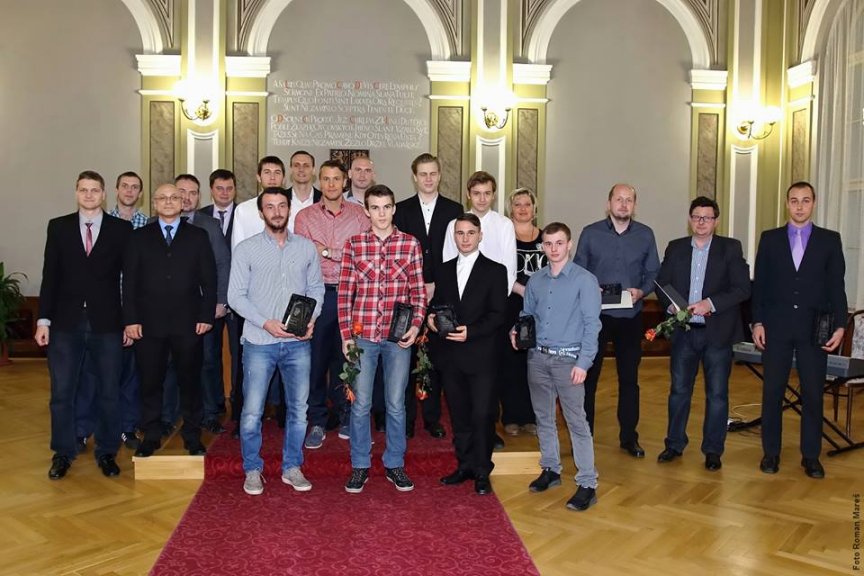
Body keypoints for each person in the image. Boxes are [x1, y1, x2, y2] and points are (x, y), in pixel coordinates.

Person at [36, 170, 132, 480]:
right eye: (83, 190)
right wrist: (43, 320)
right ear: (76, 193)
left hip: (108, 323)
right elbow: (50, 276)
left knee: (109, 391)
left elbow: (131, 280)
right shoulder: (59, 227)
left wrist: (130, 322)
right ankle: (63, 452)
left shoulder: (121, 229)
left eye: (94, 190)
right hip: (65, 323)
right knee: (62, 392)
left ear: (104, 194)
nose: (89, 195)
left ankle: (107, 451)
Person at [228, 187, 324, 495]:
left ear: (289, 209)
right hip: (259, 342)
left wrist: (310, 319)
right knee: (252, 411)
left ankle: (292, 467)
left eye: (282, 205)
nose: (277, 211)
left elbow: (316, 289)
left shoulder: (306, 248)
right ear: (261, 213)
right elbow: (235, 297)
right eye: (270, 206)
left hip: (297, 343)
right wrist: (265, 322)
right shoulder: (246, 249)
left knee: (298, 410)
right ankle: (252, 469)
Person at [752, 181, 846, 479]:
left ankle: (811, 456)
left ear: (813, 203)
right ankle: (771, 453)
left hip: (814, 330)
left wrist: (840, 325)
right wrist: (757, 322)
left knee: (813, 395)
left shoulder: (830, 240)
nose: (800, 206)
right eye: (794, 200)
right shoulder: (770, 239)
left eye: (805, 200)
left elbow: (837, 286)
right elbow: (760, 286)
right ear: (787, 204)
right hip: (776, 328)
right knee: (772, 393)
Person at [338, 184, 426, 493]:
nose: (381, 213)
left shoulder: (410, 244)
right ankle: (360, 465)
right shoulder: (354, 244)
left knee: (396, 403)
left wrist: (416, 325)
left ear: (394, 208)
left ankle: (394, 463)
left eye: (386, 207)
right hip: (362, 336)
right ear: (366, 211)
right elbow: (344, 294)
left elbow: (418, 292)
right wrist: (346, 336)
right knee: (361, 404)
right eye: (375, 207)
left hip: (397, 338)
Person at [654, 196, 750, 471]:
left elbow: (742, 288)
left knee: (717, 395)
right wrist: (670, 306)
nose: (701, 222)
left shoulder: (730, 248)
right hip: (684, 333)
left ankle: (713, 450)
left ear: (716, 221)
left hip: (717, 334)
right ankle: (674, 444)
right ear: (690, 219)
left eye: (707, 218)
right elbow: (661, 283)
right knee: (678, 391)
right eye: (696, 217)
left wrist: (711, 304)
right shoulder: (676, 248)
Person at [511, 222, 602, 511]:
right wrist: (517, 331)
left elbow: (592, 325)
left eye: (559, 243)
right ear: (542, 247)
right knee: (543, 418)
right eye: (548, 244)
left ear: (569, 244)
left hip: (569, 360)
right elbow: (527, 315)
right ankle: (551, 469)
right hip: (538, 358)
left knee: (576, 422)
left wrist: (584, 363)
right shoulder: (536, 281)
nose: (554, 249)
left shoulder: (585, 280)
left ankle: (587, 483)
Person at [123, 183, 216, 457]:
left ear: (182, 202)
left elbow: (209, 280)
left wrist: (206, 315)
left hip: (189, 323)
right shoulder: (138, 237)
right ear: (154, 203)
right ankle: (150, 435)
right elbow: (129, 283)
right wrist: (130, 319)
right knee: (150, 382)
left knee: (190, 381)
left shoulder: (198, 236)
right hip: (148, 324)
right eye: (162, 198)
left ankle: (192, 436)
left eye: (174, 197)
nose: (168, 201)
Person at [574, 183, 660, 458]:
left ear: (635, 205)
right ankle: (584, 436)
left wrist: (641, 291)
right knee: (588, 378)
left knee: (629, 380)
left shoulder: (646, 235)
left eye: (629, 200)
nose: (623, 204)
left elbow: (653, 274)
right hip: (595, 318)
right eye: (618, 199)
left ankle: (629, 438)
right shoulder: (590, 233)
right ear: (608, 203)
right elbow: (578, 271)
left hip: (630, 317)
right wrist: (592, 289)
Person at [429, 213, 507, 495]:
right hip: (451, 356)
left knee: (482, 415)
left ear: (480, 235)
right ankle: (464, 466)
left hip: (482, 355)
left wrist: (470, 332)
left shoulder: (495, 271)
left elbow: (498, 314)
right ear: (454, 237)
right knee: (459, 415)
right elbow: (437, 306)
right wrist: (430, 319)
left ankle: (483, 471)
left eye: (470, 233)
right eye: (460, 233)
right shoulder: (443, 269)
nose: (465, 238)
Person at [294, 160, 370, 448]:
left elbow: (361, 255)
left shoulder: (359, 215)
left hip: (351, 295)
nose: (331, 184)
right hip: (316, 294)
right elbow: (304, 256)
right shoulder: (304, 217)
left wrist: (326, 251)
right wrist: (342, 253)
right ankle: (316, 420)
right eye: (326, 179)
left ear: (344, 182)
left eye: (336, 179)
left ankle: (345, 413)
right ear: (319, 181)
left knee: (348, 358)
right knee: (314, 360)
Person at [442, 171, 517, 449]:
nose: (482, 198)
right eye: (477, 193)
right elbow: (448, 264)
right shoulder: (456, 224)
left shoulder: (504, 224)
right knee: (458, 385)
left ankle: (489, 431)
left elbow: (509, 269)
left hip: (492, 310)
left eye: (487, 193)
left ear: (494, 195)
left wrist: (490, 306)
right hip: (458, 313)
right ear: (468, 195)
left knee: (490, 376)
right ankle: (466, 437)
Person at [75, 171, 147, 451]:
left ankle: (126, 428)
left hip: (131, 313)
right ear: (114, 191)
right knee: (90, 374)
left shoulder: (148, 225)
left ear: (140, 193)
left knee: (129, 375)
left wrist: (132, 317)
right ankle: (83, 429)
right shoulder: (100, 222)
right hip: (98, 314)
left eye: (135, 187)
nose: (129, 191)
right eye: (124, 186)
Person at [393, 153, 462, 439]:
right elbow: (398, 254)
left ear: (439, 175)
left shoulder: (454, 209)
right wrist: (418, 284)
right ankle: (406, 419)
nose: (428, 178)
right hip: (408, 294)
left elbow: (458, 253)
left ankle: (432, 418)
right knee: (405, 358)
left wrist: (436, 283)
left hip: (442, 294)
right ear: (415, 177)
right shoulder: (401, 209)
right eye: (423, 174)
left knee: (436, 359)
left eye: (433, 173)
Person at [176, 174, 231, 434]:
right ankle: (172, 414)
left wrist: (220, 300)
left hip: (202, 307)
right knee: (170, 362)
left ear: (200, 197)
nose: (187, 197)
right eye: (182, 191)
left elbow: (222, 263)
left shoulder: (209, 225)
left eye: (192, 193)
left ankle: (210, 414)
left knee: (208, 361)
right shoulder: (155, 224)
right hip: (167, 310)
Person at [500, 188, 545, 437]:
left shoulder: (546, 237)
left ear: (534, 209)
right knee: (511, 363)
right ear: (511, 209)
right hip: (511, 306)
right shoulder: (505, 237)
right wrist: (521, 290)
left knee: (536, 363)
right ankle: (511, 416)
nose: (523, 209)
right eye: (517, 204)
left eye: (527, 204)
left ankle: (531, 417)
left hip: (541, 307)